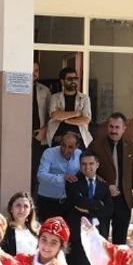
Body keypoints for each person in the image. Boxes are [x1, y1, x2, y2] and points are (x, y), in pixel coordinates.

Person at [65, 150, 114, 265]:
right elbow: (76, 202)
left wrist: (90, 207)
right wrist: (97, 205)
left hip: (97, 236)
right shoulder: (73, 182)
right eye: (84, 164)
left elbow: (109, 209)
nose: (88, 167)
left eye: (91, 164)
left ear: (97, 165)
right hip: (79, 236)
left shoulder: (104, 186)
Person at [87, 112, 133, 244]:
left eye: (117, 127)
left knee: (120, 242)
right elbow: (89, 171)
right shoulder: (96, 146)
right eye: (111, 127)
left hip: (123, 200)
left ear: (124, 128)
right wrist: (106, 186)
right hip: (102, 200)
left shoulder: (130, 147)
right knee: (101, 239)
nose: (113, 130)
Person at [36, 132, 82, 221]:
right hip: (48, 201)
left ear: (77, 147)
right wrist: (62, 178)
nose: (66, 150)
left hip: (69, 202)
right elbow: (40, 175)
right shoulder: (49, 153)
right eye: (63, 145)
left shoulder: (79, 154)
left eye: (70, 147)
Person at [45, 67, 92, 148]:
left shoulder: (84, 98)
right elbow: (54, 115)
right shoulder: (55, 97)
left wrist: (65, 119)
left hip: (78, 138)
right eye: (70, 79)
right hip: (58, 138)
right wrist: (76, 113)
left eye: (75, 78)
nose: (73, 81)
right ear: (62, 81)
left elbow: (86, 119)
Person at [31, 61, 52, 192]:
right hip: (21, 137)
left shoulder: (44, 90)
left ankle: (34, 201)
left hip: (40, 136)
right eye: (31, 69)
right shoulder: (18, 87)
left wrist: (45, 130)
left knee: (38, 171)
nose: (34, 73)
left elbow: (52, 114)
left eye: (36, 70)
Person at [1, 191, 38, 256]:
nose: (22, 209)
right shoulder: (4, 230)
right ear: (11, 208)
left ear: (30, 211)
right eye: (18, 205)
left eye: (26, 206)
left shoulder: (36, 230)